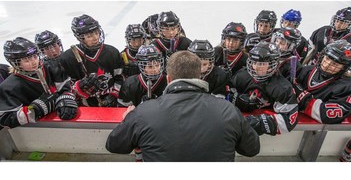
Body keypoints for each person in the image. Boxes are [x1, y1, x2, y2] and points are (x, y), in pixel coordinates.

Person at [106, 51, 260, 162]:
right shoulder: (228, 111)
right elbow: (252, 149)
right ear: (199, 76)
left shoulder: (143, 112)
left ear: (168, 78)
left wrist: (127, 121)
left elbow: (113, 145)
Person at [0, 37, 78, 129]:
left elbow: (67, 87)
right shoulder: (9, 87)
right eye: (27, 60)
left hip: (63, 119)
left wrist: (66, 98)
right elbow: (5, 119)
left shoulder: (51, 67)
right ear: (15, 63)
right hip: (39, 130)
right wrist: (34, 110)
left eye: (35, 56)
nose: (34, 62)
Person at [229, 41, 299, 136]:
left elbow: (288, 121)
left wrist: (261, 122)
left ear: (272, 65)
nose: (256, 67)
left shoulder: (283, 88)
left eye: (261, 64)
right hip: (236, 126)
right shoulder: (242, 75)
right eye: (254, 62)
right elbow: (225, 94)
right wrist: (236, 99)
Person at [60, 14, 124, 107]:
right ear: (80, 38)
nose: (95, 38)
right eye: (89, 36)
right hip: (85, 108)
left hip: (111, 105)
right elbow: (65, 90)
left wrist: (114, 94)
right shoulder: (68, 58)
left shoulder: (112, 52)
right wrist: (79, 87)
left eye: (96, 32)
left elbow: (120, 78)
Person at [293, 40, 351, 124]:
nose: (327, 65)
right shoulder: (307, 70)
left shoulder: (350, 88)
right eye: (327, 58)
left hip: (316, 132)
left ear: (345, 67)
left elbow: (326, 115)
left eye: (335, 64)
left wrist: (302, 97)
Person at [306, 7, 351, 79]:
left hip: (333, 76)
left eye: (342, 23)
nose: (338, 24)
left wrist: (348, 80)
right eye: (337, 21)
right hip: (313, 69)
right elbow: (308, 51)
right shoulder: (322, 31)